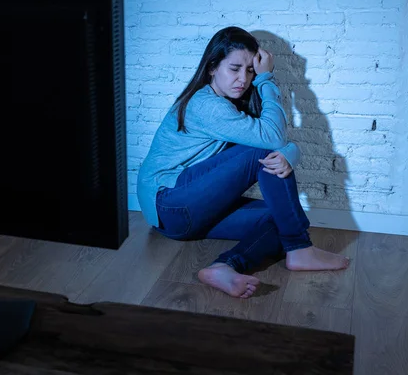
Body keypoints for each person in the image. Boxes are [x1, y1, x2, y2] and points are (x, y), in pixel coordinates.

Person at [137, 26, 350, 299]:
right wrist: (266, 79)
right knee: (259, 153)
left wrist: (289, 153)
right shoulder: (207, 105)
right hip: (169, 203)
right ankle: (300, 248)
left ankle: (226, 266)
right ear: (212, 67)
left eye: (250, 71)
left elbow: (272, 141)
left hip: (186, 217)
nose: (243, 79)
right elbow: (270, 140)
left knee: (284, 217)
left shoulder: (229, 103)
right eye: (234, 68)